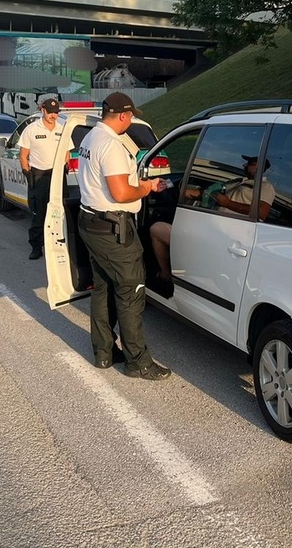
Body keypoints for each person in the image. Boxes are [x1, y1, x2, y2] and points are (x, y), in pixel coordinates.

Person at [76, 92, 172, 380]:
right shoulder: (111, 145)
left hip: (91, 222)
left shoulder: (91, 138)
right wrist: (146, 188)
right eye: (130, 116)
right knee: (131, 291)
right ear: (122, 115)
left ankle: (104, 353)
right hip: (113, 230)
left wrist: (140, 185)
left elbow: (111, 183)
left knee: (104, 288)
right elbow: (120, 193)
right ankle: (138, 361)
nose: (131, 120)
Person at [150, 155, 275, 285]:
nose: (244, 165)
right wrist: (178, 189)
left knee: (156, 229)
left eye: (249, 163)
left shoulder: (265, 187)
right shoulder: (238, 181)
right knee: (158, 228)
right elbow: (209, 194)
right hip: (206, 229)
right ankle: (174, 275)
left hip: (223, 238)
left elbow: (262, 212)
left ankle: (165, 274)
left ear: (259, 167)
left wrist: (227, 203)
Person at [20, 97, 62, 260]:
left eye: (56, 113)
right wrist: (28, 175)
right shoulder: (31, 129)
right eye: (50, 112)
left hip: (57, 175)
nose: (53, 116)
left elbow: (66, 152)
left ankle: (58, 245)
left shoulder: (62, 128)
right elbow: (23, 156)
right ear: (43, 110)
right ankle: (36, 247)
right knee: (40, 214)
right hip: (39, 176)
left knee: (59, 212)